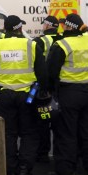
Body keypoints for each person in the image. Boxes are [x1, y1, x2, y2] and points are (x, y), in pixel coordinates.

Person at [0, 15, 46, 175]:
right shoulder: (31, 45)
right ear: (19, 28)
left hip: (5, 95)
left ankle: (11, 171)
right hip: (28, 97)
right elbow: (42, 73)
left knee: (9, 134)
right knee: (29, 133)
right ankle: (25, 170)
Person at [46, 13, 88, 175]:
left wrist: (51, 91)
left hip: (69, 94)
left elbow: (50, 73)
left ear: (67, 26)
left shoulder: (62, 44)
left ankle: (66, 174)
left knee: (67, 134)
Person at [33, 15, 60, 163]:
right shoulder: (63, 39)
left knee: (42, 122)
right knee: (60, 123)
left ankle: (42, 154)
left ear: (48, 25)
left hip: (44, 87)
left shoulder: (40, 41)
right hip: (61, 86)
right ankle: (59, 154)